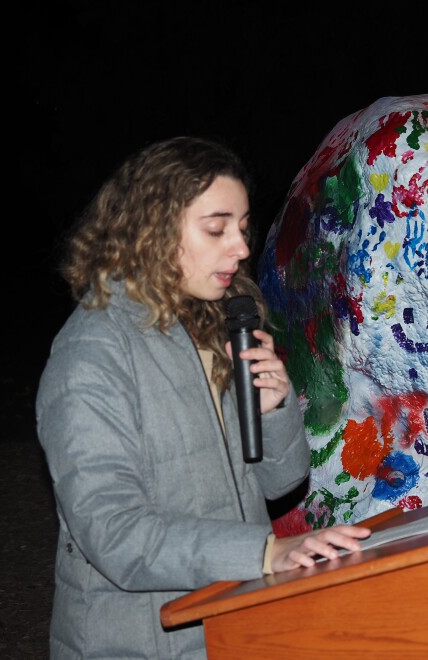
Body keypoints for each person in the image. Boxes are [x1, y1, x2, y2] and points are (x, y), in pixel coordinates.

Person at [35, 136, 371, 659]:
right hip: (143, 642)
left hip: (235, 624)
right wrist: (265, 553)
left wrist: (275, 409)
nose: (240, 248)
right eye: (216, 228)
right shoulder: (93, 353)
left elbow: (281, 483)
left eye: (240, 228)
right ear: (153, 227)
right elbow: (114, 532)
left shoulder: (219, 328)